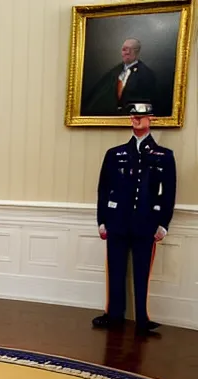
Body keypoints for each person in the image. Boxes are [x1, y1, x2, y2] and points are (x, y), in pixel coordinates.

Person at [92, 101, 176, 336]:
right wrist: (101, 220)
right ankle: (113, 315)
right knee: (115, 271)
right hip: (117, 222)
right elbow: (103, 189)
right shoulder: (115, 153)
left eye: (142, 116)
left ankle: (142, 319)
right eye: (133, 116)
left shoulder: (164, 156)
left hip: (146, 225)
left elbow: (169, 193)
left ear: (152, 119)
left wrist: (163, 224)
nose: (137, 120)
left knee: (142, 273)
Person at [81, 38, 158, 116]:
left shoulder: (146, 74)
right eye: (124, 49)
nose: (127, 52)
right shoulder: (114, 72)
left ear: (137, 51)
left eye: (131, 49)